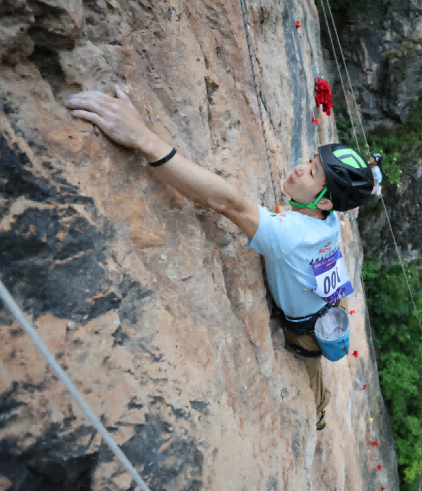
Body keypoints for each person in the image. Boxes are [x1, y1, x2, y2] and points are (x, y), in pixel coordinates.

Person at [65, 85, 374, 431]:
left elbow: (227, 203)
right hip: (327, 306)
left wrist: (143, 138)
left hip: (307, 331)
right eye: (310, 161)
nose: (300, 169)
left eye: (312, 172)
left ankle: (318, 410)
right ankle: (319, 403)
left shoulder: (288, 235)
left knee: (312, 368)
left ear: (326, 203)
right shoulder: (329, 224)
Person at [348, 153, 383, 221]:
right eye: (372, 156)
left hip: (373, 186)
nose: (371, 157)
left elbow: (373, 183)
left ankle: (355, 214)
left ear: (375, 162)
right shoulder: (368, 163)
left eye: (373, 158)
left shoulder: (376, 171)